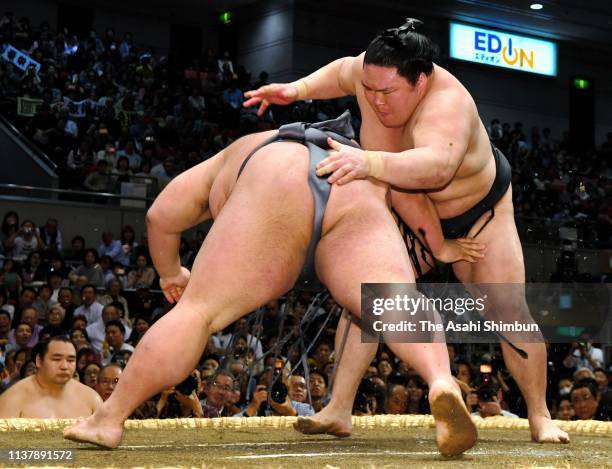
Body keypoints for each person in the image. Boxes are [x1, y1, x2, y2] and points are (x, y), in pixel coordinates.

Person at [64, 113, 479, 455]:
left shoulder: (241, 149)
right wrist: (440, 247)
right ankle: (439, 378)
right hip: (356, 186)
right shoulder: (362, 154)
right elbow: (416, 205)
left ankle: (109, 418)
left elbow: (161, 215)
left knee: (197, 311)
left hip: (276, 181)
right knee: (391, 301)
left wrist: (171, 272)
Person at [243, 18, 568, 443]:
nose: (375, 101)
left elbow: (436, 166)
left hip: (476, 216)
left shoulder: (447, 104)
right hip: (405, 206)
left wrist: (369, 163)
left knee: (509, 311)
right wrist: (296, 90)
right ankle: (338, 409)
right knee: (369, 300)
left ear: (421, 81)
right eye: (369, 90)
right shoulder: (372, 73)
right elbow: (342, 71)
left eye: (387, 92)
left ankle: (540, 416)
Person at [0, 336, 102, 417]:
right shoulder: (13, 398)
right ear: (39, 361)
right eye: (56, 359)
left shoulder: (92, 399)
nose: (64, 366)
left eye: (71, 360)